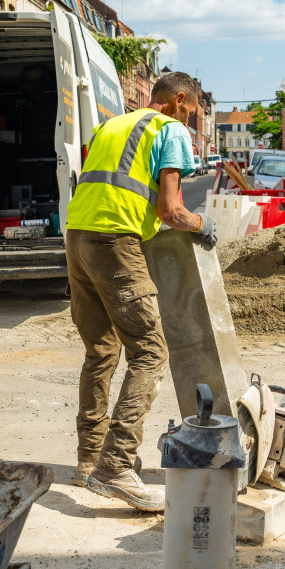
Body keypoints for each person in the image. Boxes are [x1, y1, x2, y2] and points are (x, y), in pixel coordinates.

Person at [64, 71, 218, 511]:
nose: (190, 123)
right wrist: (202, 225)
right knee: (151, 352)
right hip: (115, 242)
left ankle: (88, 461)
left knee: (100, 351)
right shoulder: (169, 130)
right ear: (179, 100)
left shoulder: (111, 124)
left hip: (77, 239)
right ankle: (115, 466)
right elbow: (170, 210)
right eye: (191, 113)